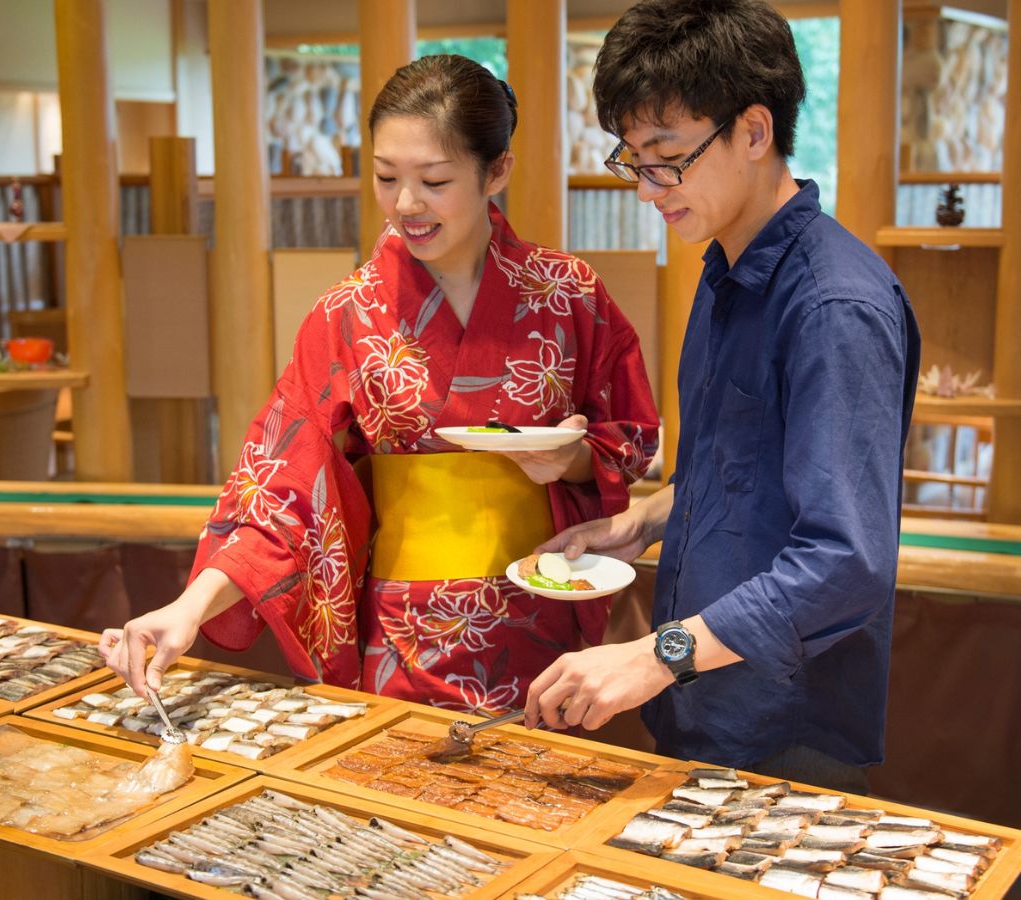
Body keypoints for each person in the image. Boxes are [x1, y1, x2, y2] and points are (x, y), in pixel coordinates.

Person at [101, 55, 659, 713]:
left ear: (497, 171)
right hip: (404, 632)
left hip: (543, 613)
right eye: (386, 177)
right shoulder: (346, 314)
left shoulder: (567, 293)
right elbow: (283, 488)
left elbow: (630, 438)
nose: (406, 205)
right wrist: (190, 607)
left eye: (434, 180)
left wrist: (571, 460)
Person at [522, 0, 921, 795]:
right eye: (634, 161)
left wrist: (655, 653)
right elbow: (738, 468)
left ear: (754, 131)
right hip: (701, 704)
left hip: (787, 729)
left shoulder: (833, 305)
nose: (648, 189)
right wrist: (639, 523)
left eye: (668, 159)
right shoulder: (723, 274)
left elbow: (845, 563)